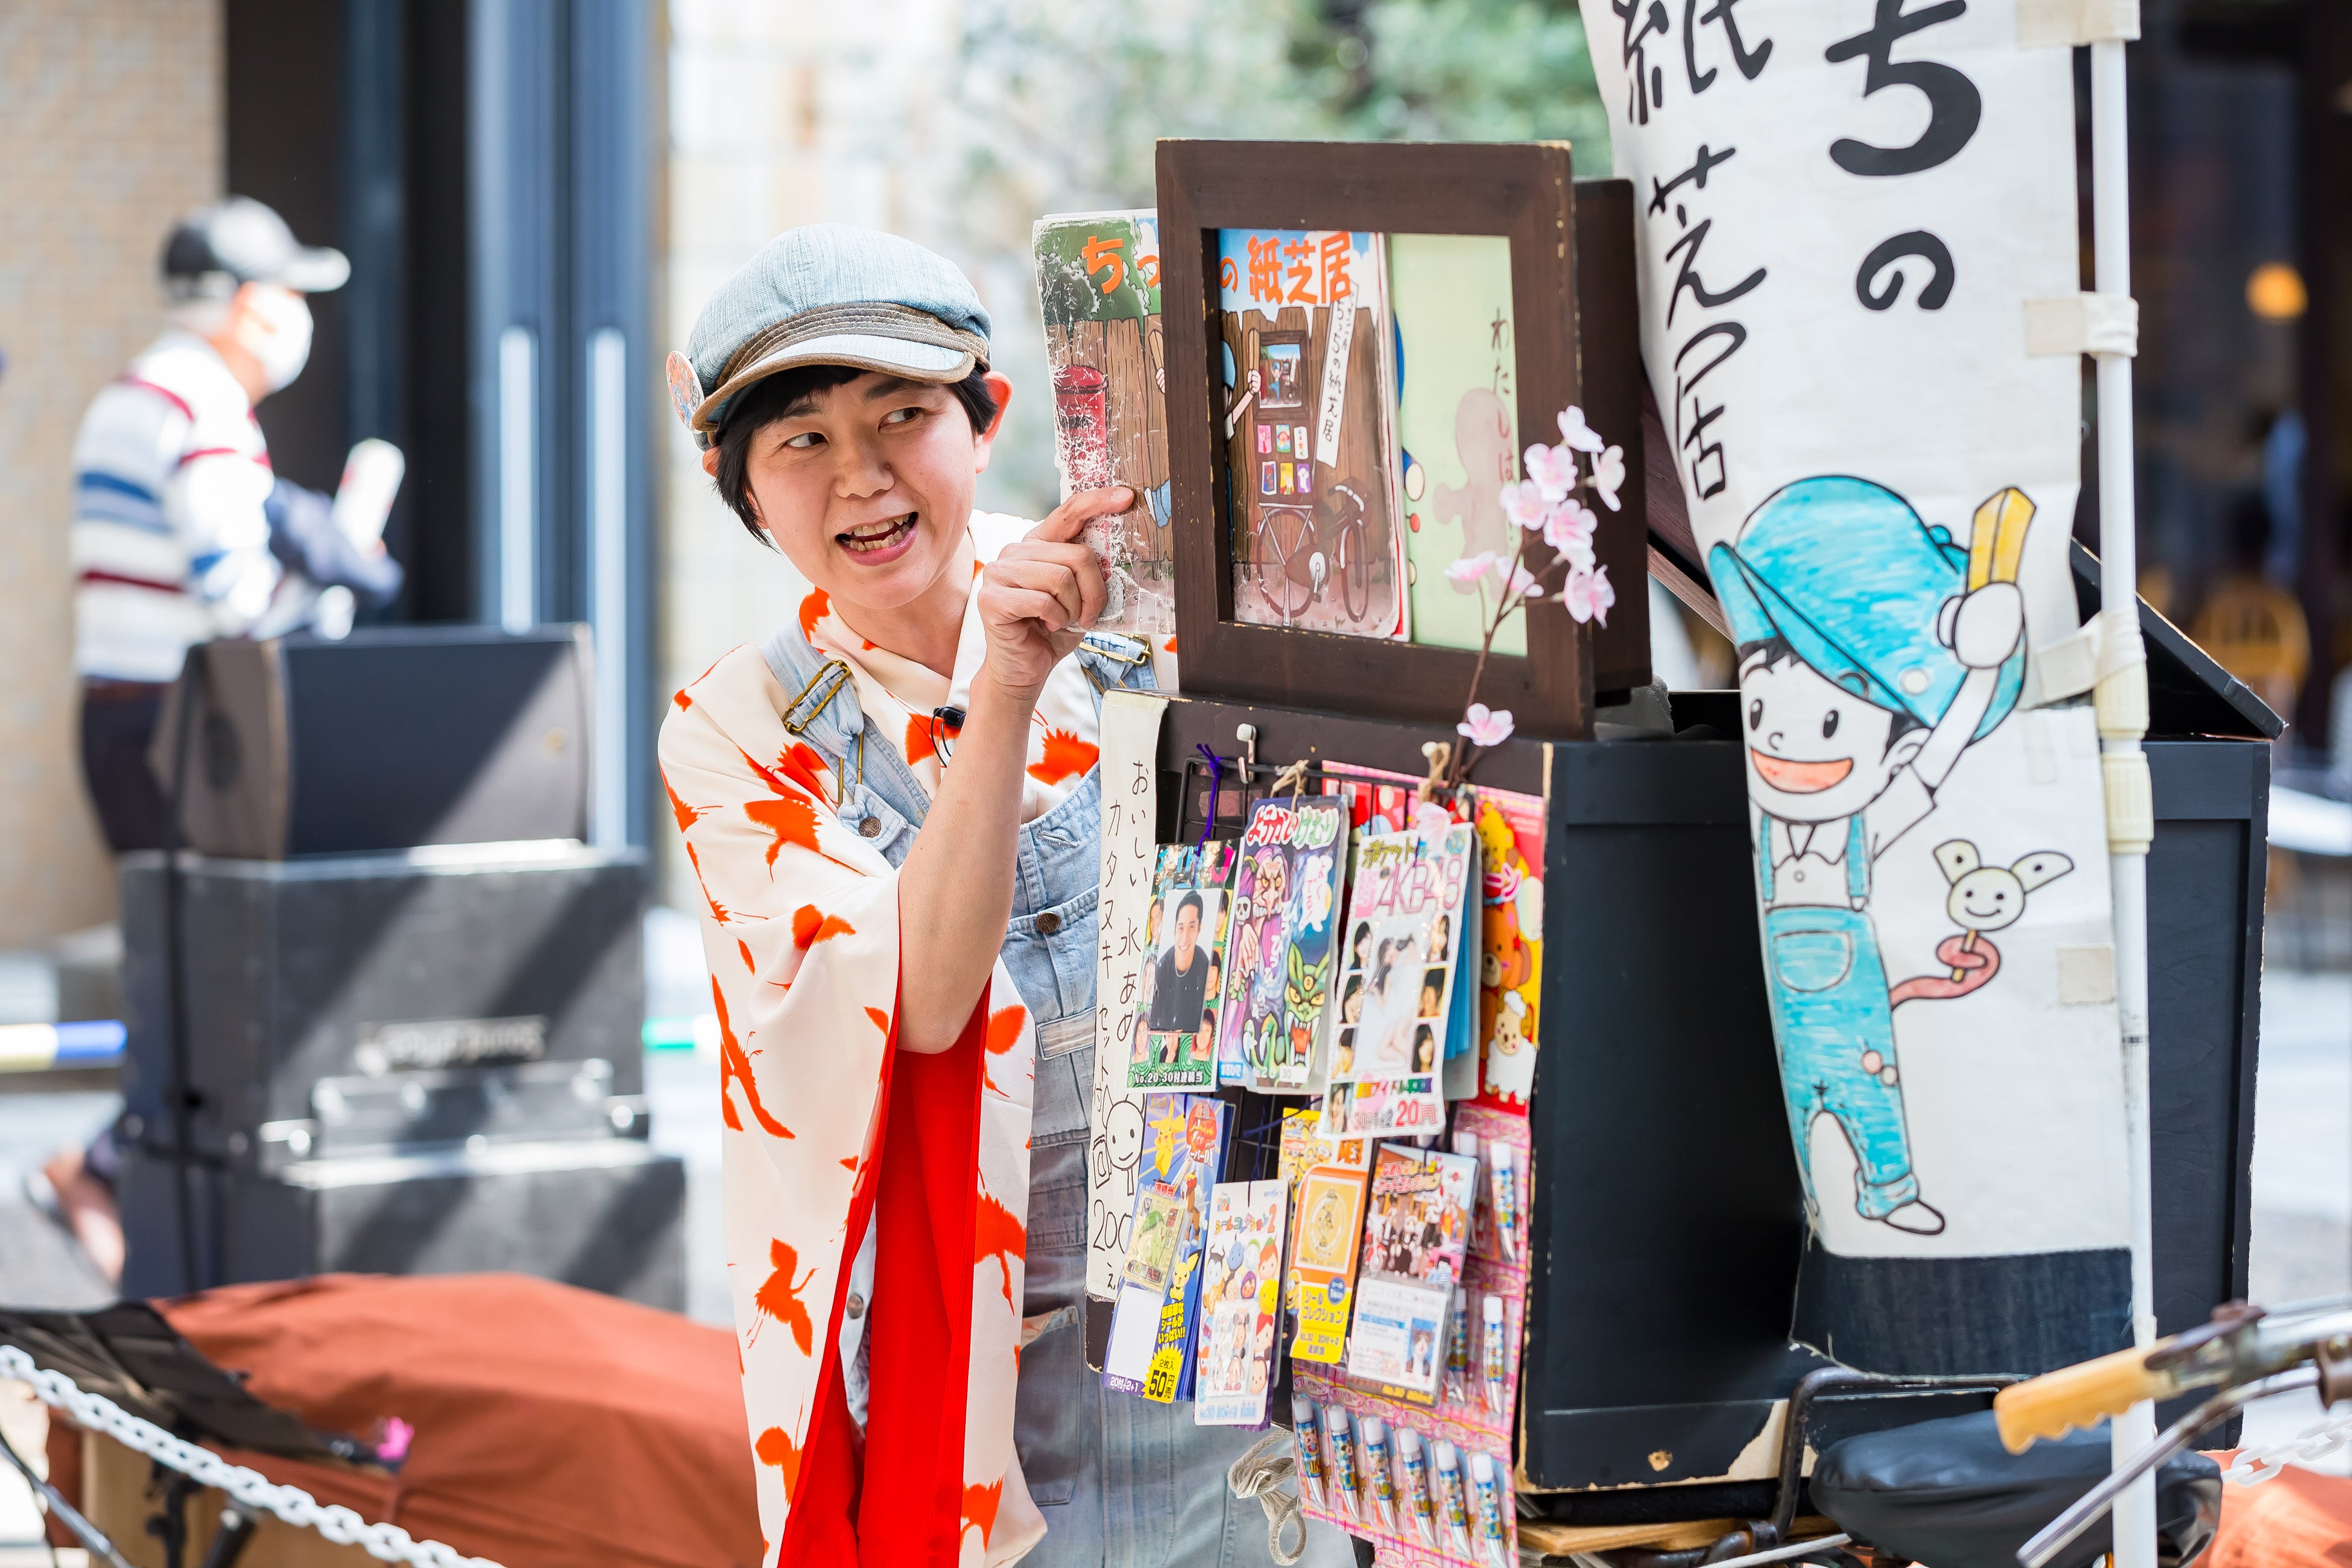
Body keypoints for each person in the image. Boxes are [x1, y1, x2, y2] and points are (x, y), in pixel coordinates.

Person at [660, 224, 1351, 1566]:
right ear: (736, 485)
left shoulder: (1146, 613)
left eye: (902, 415)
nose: (861, 476)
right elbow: (923, 1005)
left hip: (1241, 1347)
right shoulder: (735, 733)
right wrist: (1011, 689)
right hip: (980, 1404)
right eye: (801, 440)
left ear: (987, 422)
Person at [42, 197, 403, 1285]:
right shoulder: (203, 407)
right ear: (247, 306)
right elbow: (241, 605)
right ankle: (119, 1182)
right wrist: (337, 561)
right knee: (227, 976)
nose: (298, 317)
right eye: (289, 293)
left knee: (180, 970)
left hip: (121, 718)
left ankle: (132, 1197)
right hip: (185, 732)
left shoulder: (129, 393)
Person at [1146, 890, 1212, 1032]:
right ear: (1175, 930)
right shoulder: (1162, 968)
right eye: (1181, 928)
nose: (1185, 937)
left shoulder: (1205, 965)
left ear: (1199, 929)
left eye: (1192, 927)